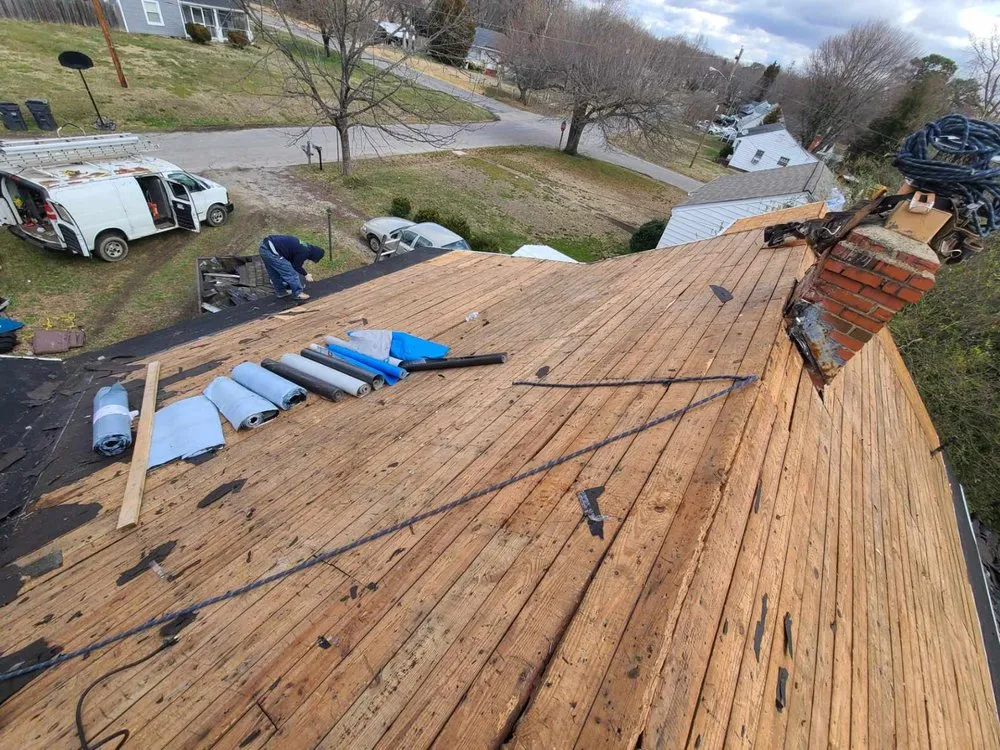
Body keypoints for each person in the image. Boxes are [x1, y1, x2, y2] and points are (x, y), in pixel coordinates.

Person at [258, 234, 325, 300]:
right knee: (290, 272)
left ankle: (281, 292)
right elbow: (296, 266)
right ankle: (298, 293)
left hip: (265, 246)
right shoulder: (304, 252)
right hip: (271, 249)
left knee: (274, 273)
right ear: (314, 256)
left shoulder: (305, 247)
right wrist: (306, 275)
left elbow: (293, 261)